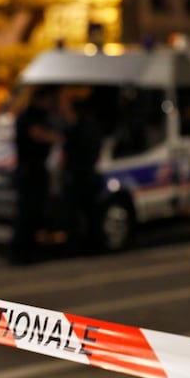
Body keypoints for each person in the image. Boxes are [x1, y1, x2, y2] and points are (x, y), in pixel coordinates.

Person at [10, 86, 62, 264]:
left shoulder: (37, 116)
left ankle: (28, 250)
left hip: (35, 171)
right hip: (29, 172)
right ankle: (21, 252)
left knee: (33, 212)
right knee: (27, 213)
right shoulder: (29, 117)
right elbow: (37, 134)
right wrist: (56, 137)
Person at [59, 87, 103, 255]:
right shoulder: (93, 128)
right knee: (91, 213)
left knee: (73, 215)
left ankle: (75, 247)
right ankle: (94, 244)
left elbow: (64, 157)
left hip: (76, 177)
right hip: (90, 174)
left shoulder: (72, 131)